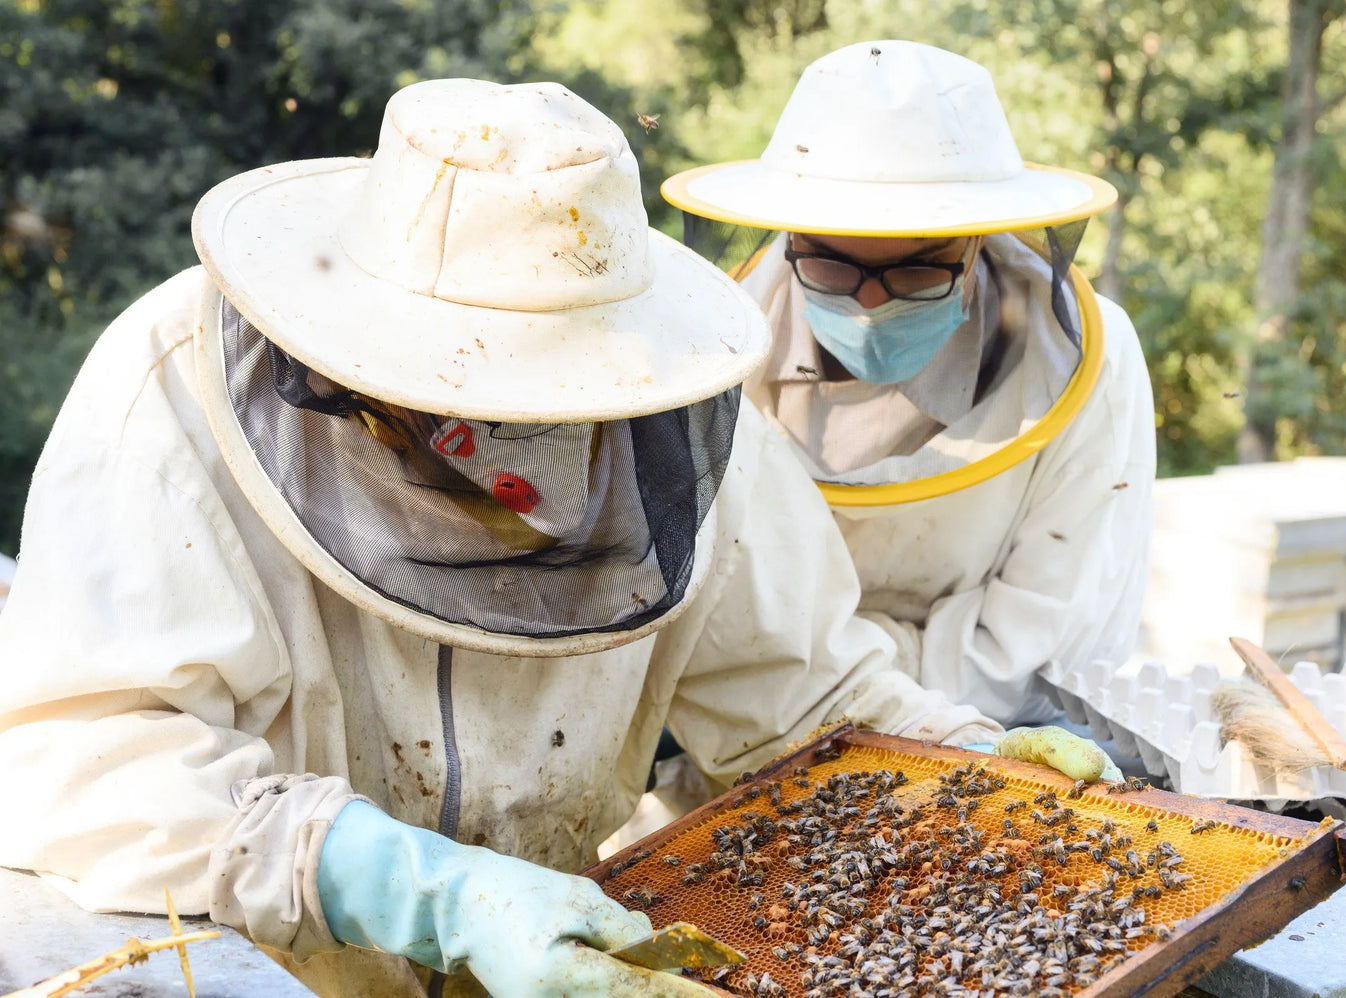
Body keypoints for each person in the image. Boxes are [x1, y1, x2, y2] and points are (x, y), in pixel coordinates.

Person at [0, 79, 1109, 998]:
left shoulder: (686, 421)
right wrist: (406, 882)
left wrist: (955, 756)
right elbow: (79, 761)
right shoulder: (169, 397)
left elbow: (802, 699)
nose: (500, 449)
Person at [663, 39, 1157, 726]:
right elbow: (711, 631)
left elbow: (1046, 654)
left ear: (977, 244)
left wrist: (821, 664)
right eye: (833, 267)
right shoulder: (710, 357)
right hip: (751, 746)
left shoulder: (1085, 363)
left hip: (995, 752)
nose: (869, 304)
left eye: (916, 271)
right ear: (790, 242)